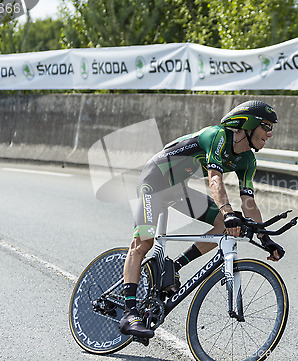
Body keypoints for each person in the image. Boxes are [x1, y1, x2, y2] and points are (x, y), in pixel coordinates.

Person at [119, 100, 285, 338]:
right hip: (154, 181)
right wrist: (229, 212)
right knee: (144, 242)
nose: (270, 134)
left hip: (176, 190)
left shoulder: (248, 160)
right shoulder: (217, 136)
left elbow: (249, 202)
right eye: (266, 126)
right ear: (248, 125)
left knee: (223, 227)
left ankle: (174, 267)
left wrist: (265, 237)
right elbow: (214, 180)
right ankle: (129, 313)